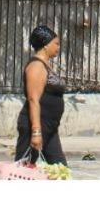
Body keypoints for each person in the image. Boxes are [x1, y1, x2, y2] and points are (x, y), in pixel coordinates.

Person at [13, 25, 67, 167]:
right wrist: (36, 132)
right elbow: (33, 100)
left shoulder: (46, 65)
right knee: (23, 170)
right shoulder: (36, 66)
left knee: (60, 170)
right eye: (56, 43)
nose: (58, 47)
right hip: (35, 127)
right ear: (45, 45)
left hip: (49, 127)